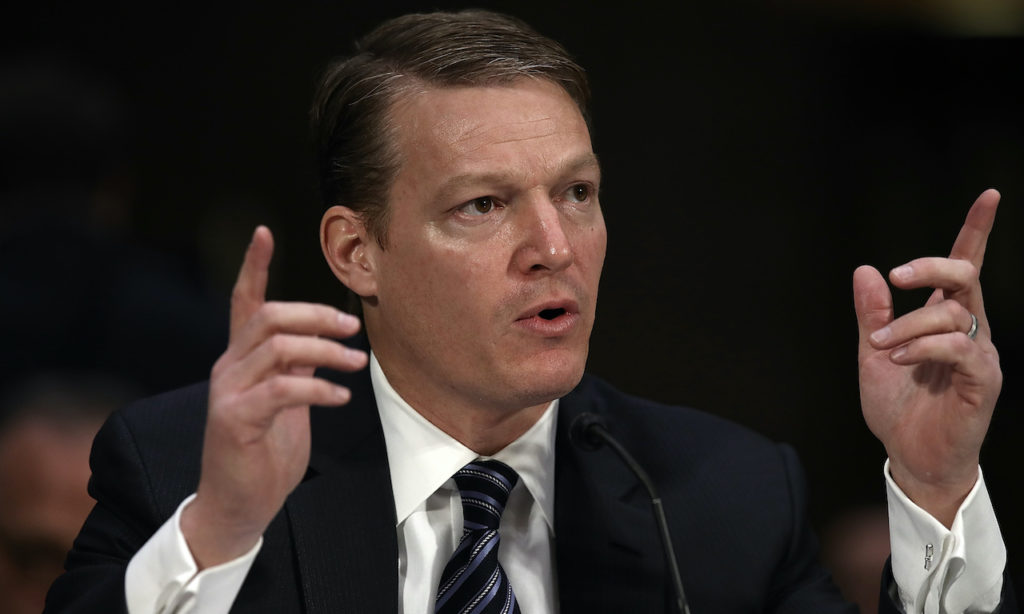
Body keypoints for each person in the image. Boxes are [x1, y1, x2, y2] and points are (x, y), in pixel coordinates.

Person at [46, 9, 1014, 613]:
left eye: (577, 193)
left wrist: (935, 486)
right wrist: (221, 530)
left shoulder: (721, 496)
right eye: (483, 204)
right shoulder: (189, 472)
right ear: (356, 251)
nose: (555, 245)